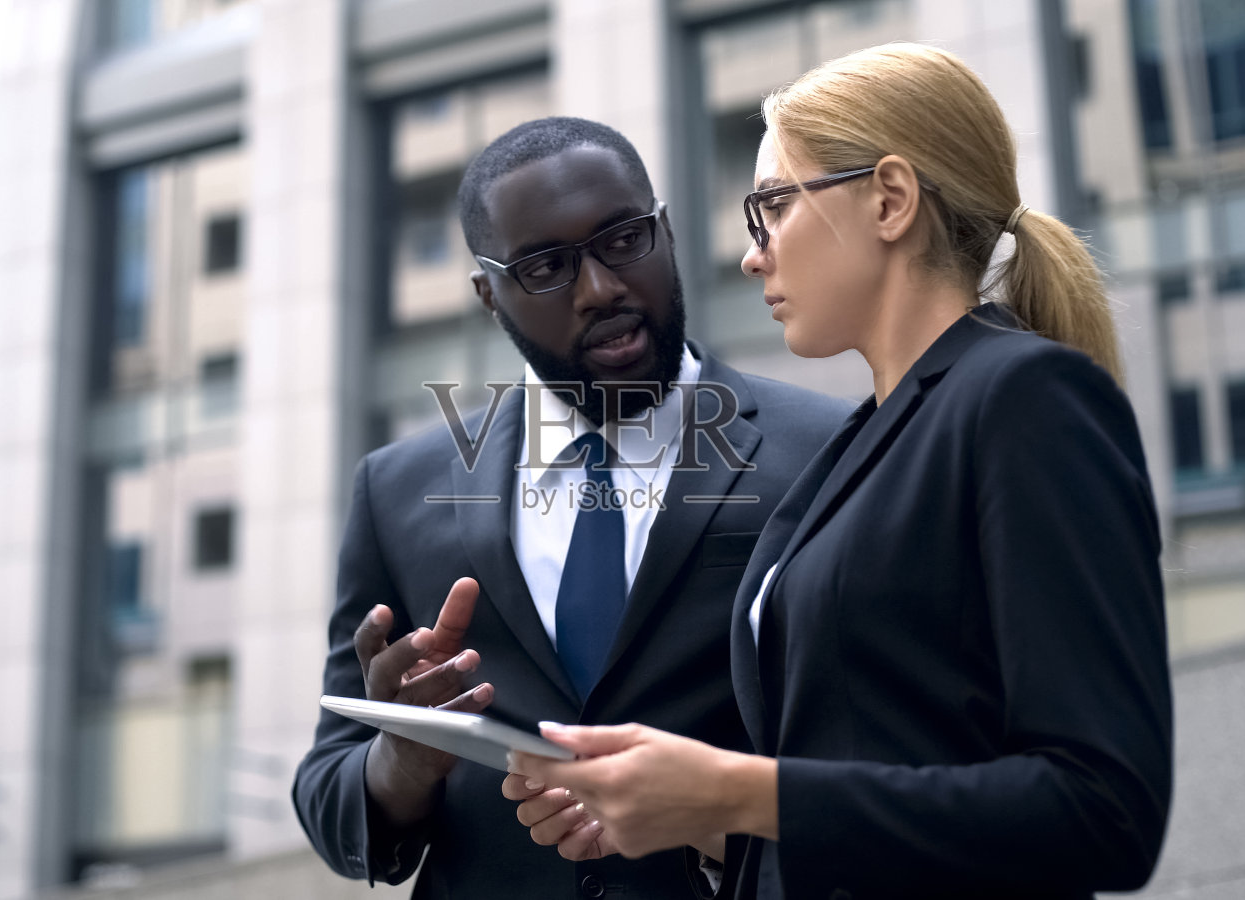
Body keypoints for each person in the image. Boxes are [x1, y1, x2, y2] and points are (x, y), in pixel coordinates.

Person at [506, 44, 1174, 899]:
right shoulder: (857, 447)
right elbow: (876, 772)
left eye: (773, 207)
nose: (754, 255)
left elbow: (1101, 809)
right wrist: (699, 820)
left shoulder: (1025, 397)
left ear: (890, 200)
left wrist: (740, 789)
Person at [291, 116, 853, 899]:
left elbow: (879, 773)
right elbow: (329, 798)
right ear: (490, 294)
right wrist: (406, 756)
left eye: (624, 240)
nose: (601, 289)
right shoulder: (396, 491)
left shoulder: (834, 453)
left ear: (665, 231)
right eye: (547, 266)